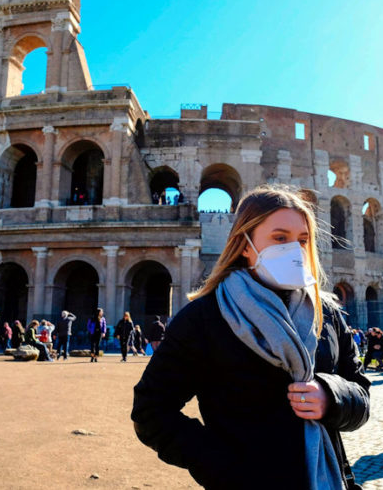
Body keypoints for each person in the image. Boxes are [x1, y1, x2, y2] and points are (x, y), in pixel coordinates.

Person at [132, 185, 370, 489]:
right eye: (280, 238)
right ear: (245, 245)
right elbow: (150, 411)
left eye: (302, 240)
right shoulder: (204, 318)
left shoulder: (327, 313)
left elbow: (361, 392)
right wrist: (225, 468)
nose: (294, 250)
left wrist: (330, 396)